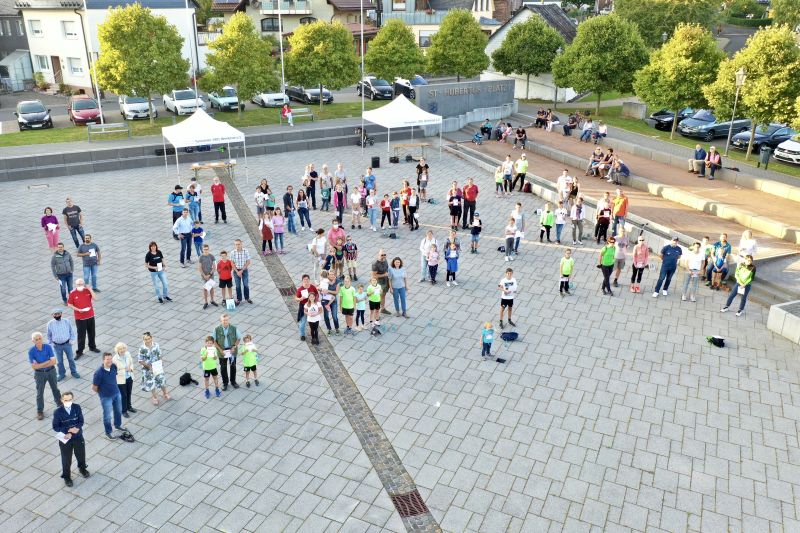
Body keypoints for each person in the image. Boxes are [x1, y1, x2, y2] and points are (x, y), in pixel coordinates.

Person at [52, 391, 89, 486]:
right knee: (66, 459)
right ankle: (67, 477)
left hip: (78, 436)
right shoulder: (57, 412)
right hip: (66, 438)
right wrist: (67, 430)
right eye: (66, 400)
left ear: (72, 399)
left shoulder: (77, 407)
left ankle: (82, 468)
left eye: (70, 400)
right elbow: (56, 427)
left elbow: (81, 421)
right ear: (61, 400)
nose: (68, 401)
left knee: (81, 454)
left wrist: (77, 428)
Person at [92, 353, 128, 441]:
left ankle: (118, 425)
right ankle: (108, 432)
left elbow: (114, 377)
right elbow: (94, 387)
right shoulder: (98, 373)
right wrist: (102, 393)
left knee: (118, 411)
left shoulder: (113, 367)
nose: (109, 361)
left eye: (110, 359)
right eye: (107, 359)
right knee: (107, 416)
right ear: (103, 360)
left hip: (116, 393)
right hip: (106, 397)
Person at [30, 331, 62, 420]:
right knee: (40, 393)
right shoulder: (31, 352)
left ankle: (60, 404)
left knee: (55, 388)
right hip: (39, 374)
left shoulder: (48, 347)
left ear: (42, 338)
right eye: (36, 339)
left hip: (51, 371)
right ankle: (40, 411)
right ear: (33, 341)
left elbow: (54, 362)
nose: (38, 341)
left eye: (40, 338)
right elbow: (34, 366)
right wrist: (48, 362)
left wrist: (40, 365)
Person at [67, 279, 99, 356]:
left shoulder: (87, 290)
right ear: (76, 285)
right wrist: (78, 309)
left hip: (90, 315)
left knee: (92, 333)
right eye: (78, 284)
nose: (80, 286)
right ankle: (80, 351)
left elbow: (96, 298)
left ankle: (92, 347)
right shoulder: (72, 293)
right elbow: (69, 304)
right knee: (81, 335)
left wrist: (90, 289)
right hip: (80, 318)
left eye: (82, 284)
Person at [47, 307, 80, 380]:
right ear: (53, 315)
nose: (57, 315)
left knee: (71, 359)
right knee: (59, 362)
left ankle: (74, 372)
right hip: (57, 346)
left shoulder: (66, 321)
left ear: (61, 314)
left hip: (67, 344)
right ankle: (61, 374)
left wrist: (71, 341)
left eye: (58, 314)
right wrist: (52, 344)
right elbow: (49, 336)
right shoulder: (50, 324)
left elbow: (71, 331)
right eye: (55, 314)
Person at [138, 332, 170, 405]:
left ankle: (165, 393)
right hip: (148, 369)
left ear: (151, 338)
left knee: (161, 380)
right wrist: (149, 367)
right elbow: (140, 360)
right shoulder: (142, 348)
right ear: (143, 340)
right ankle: (154, 397)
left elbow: (159, 354)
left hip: (157, 366)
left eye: (149, 338)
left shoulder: (156, 345)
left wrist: (161, 361)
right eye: (145, 339)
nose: (147, 340)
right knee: (151, 383)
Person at [213, 313, 240, 390]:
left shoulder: (234, 328)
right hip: (222, 351)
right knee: (223, 367)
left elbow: (238, 338)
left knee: (233, 366)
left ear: (229, 320)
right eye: (224, 320)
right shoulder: (216, 329)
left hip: (232, 350)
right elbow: (214, 341)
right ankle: (225, 383)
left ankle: (233, 381)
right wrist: (220, 349)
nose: (225, 322)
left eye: (227, 320)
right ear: (221, 321)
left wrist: (234, 347)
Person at [112, 342, 136, 417]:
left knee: (129, 393)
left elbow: (132, 363)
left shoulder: (128, 354)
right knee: (123, 395)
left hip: (129, 377)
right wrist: (125, 369)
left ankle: (129, 407)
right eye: (120, 349)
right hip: (121, 380)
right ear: (117, 350)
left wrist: (131, 369)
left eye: (123, 348)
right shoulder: (114, 359)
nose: (122, 350)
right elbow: (114, 371)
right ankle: (124, 410)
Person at [294, 274, 319, 341]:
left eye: (307, 279)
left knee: (313, 322)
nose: (306, 281)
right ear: (302, 281)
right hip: (303, 307)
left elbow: (316, 294)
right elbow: (296, 298)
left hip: (312, 306)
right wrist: (300, 299)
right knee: (302, 323)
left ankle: (313, 334)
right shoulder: (300, 289)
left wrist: (316, 300)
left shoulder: (312, 287)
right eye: (304, 280)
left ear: (309, 280)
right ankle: (302, 335)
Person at [231, 239, 253, 305]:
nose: (237, 246)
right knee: (238, 286)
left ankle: (247, 298)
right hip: (236, 271)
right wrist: (237, 271)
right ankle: (239, 299)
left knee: (246, 284)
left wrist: (242, 270)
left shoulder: (245, 251)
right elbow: (232, 263)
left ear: (241, 244)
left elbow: (248, 262)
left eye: (238, 244)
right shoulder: (233, 252)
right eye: (236, 244)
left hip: (244, 270)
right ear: (234, 245)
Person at [319, 270, 341, 335]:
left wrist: (328, 291)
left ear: (335, 275)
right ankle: (329, 329)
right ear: (328, 275)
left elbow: (336, 292)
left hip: (333, 301)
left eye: (333, 274)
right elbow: (320, 288)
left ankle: (337, 328)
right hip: (325, 300)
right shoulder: (325, 280)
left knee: (334, 316)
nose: (331, 275)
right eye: (330, 274)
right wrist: (321, 290)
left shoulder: (337, 281)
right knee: (326, 316)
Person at [198, 244, 218, 309]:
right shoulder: (201, 257)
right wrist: (204, 275)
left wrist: (209, 274)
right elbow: (200, 268)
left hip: (210, 275)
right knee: (205, 289)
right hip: (204, 276)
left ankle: (212, 300)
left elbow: (214, 267)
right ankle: (206, 302)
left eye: (207, 249)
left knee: (211, 288)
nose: (206, 250)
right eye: (204, 249)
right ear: (202, 250)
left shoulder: (211, 256)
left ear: (208, 249)